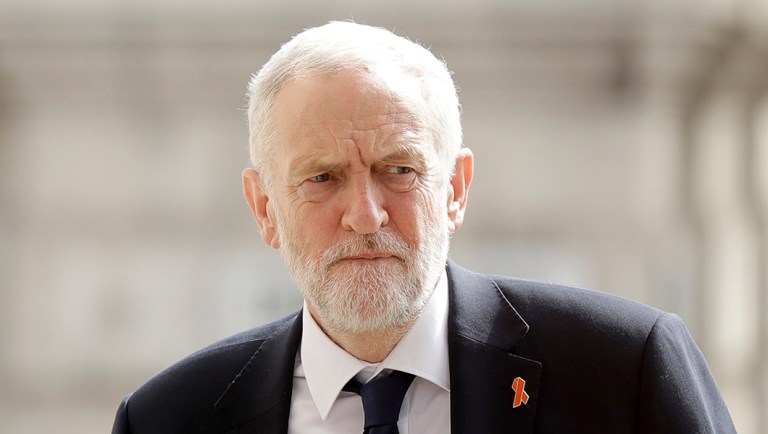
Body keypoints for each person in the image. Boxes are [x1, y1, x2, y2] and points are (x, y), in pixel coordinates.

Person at [111, 21, 736, 433]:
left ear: (456, 188)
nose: (365, 215)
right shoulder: (168, 419)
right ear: (265, 208)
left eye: (399, 169)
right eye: (322, 178)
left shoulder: (623, 372)